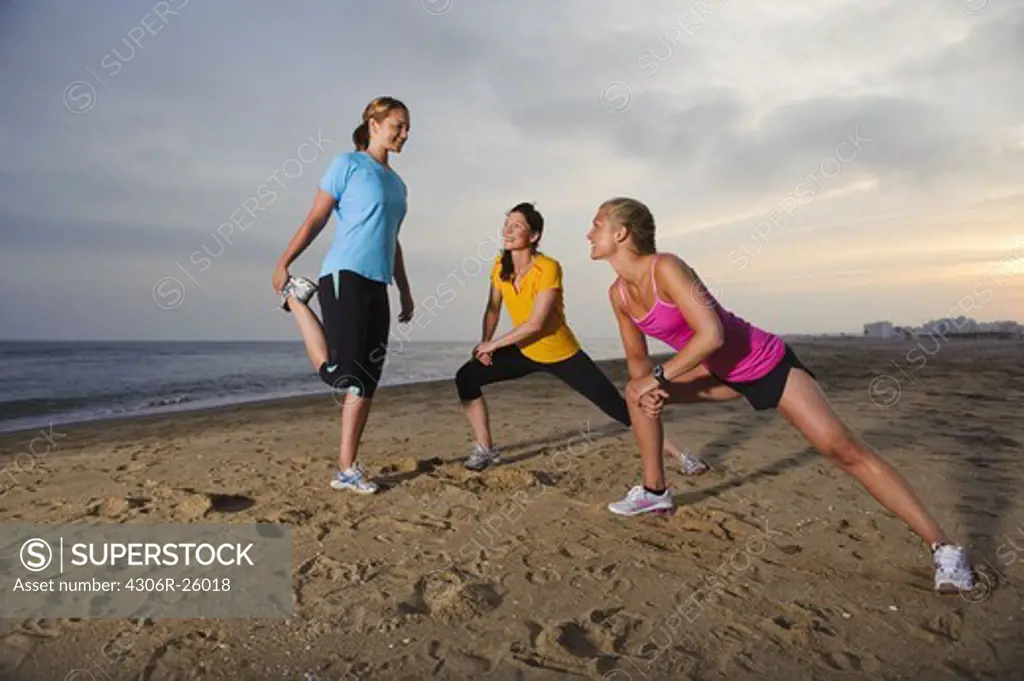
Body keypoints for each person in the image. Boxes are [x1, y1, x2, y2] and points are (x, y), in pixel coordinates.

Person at [586, 196, 974, 593]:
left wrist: (658, 377)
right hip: (716, 373)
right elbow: (637, 360)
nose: (588, 233)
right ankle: (655, 493)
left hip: (767, 365)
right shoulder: (619, 294)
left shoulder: (666, 267)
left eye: (597, 225)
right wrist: (649, 390)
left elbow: (711, 334)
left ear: (621, 233)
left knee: (842, 449)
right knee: (636, 393)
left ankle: (945, 548)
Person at [455, 201, 709, 476]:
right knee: (467, 377)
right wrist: (485, 345)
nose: (509, 229)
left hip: (561, 354)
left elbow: (536, 324)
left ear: (534, 236)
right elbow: (493, 308)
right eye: (507, 223)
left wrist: (493, 344)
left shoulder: (548, 268)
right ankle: (485, 447)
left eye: (517, 225)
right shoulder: (499, 266)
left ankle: (681, 455)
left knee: (619, 408)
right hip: (524, 352)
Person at [271, 96, 415, 495]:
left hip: (377, 282)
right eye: (397, 125)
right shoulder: (347, 165)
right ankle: (296, 300)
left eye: (407, 128)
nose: (404, 134)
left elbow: (393, 239)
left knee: (367, 380)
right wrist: (284, 262)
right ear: (374, 123)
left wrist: (404, 289)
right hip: (344, 275)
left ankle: (348, 468)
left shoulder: (398, 185)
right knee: (341, 373)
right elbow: (316, 217)